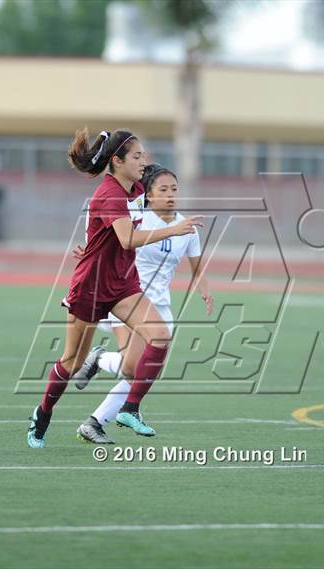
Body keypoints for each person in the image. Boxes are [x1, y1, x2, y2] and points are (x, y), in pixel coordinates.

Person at [27, 129, 203, 448]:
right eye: (136, 156)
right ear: (117, 161)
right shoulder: (110, 194)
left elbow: (148, 187)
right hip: (91, 286)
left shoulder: (132, 186)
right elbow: (126, 239)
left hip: (123, 284)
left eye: (143, 155)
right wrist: (174, 229)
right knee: (72, 363)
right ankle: (42, 413)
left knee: (160, 335)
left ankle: (130, 409)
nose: (142, 161)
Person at [74, 163, 213, 444]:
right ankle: (100, 367)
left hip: (160, 307)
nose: (171, 194)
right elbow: (109, 239)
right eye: (163, 189)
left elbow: (198, 270)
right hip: (128, 298)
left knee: (138, 371)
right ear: (148, 196)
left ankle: (94, 422)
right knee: (132, 369)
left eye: (174, 189)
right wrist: (89, 256)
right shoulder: (137, 218)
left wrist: (205, 291)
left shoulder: (188, 227)